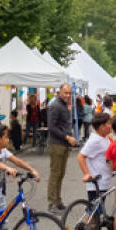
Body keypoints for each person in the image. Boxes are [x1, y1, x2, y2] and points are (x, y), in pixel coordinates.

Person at [75, 112, 115, 230]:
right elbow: (80, 156)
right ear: (102, 126)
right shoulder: (95, 140)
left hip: (104, 181)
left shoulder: (105, 138)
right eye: (108, 124)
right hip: (96, 182)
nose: (110, 126)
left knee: (98, 211)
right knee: (93, 211)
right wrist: (87, 173)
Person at [46, 83, 77, 213]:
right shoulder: (55, 106)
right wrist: (67, 137)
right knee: (55, 174)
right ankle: (52, 203)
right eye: (66, 93)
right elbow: (52, 127)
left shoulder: (64, 105)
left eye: (70, 93)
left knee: (60, 174)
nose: (68, 95)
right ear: (60, 92)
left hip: (63, 144)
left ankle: (58, 201)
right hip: (56, 144)